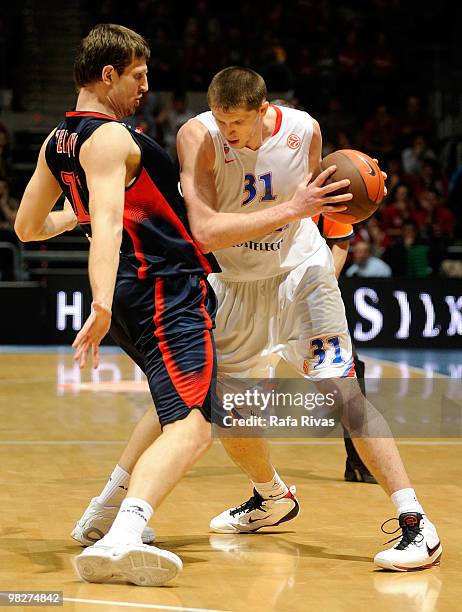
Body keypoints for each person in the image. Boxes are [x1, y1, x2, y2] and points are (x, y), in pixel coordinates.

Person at [77, 66, 442, 572]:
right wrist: (294, 207)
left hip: (300, 274)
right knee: (226, 411)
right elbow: (203, 232)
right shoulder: (196, 136)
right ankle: (271, 496)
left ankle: (416, 523)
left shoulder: (304, 130)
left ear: (265, 110)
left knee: (344, 393)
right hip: (234, 285)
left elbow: (316, 211)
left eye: (239, 123)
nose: (229, 131)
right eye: (221, 119)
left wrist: (318, 234)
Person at [14, 24, 221, 588]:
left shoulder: (58, 140)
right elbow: (107, 221)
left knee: (168, 404)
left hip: (138, 292)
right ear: (107, 75)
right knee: (195, 428)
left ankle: (104, 510)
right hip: (164, 290)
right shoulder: (108, 139)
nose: (145, 87)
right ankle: (125, 534)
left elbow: (29, 227)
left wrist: (75, 218)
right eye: (137, 75)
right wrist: (98, 303)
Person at [312, 214, 376, 483]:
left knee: (349, 371)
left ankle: (359, 462)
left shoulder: (322, 185)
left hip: (307, 298)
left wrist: (324, 285)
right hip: (248, 288)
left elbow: (340, 240)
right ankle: (180, 435)